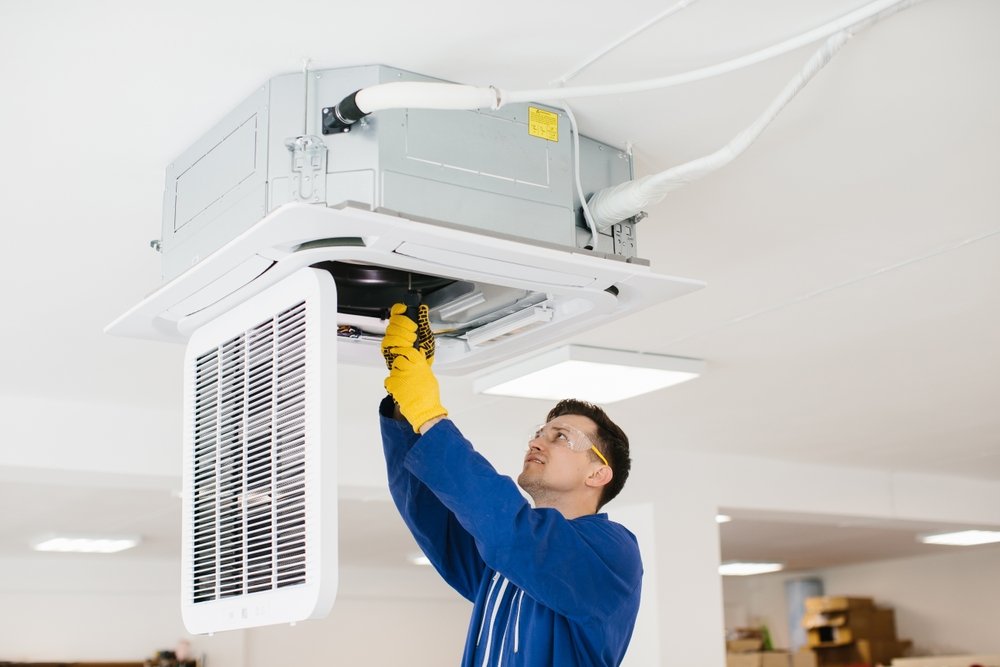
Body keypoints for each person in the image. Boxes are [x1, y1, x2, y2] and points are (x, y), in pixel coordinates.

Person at [379, 303, 642, 667]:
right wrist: (405, 403)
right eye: (539, 433)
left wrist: (430, 415)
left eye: (561, 436)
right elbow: (430, 514)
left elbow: (511, 532)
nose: (537, 442)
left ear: (598, 474)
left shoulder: (612, 552)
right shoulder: (504, 561)